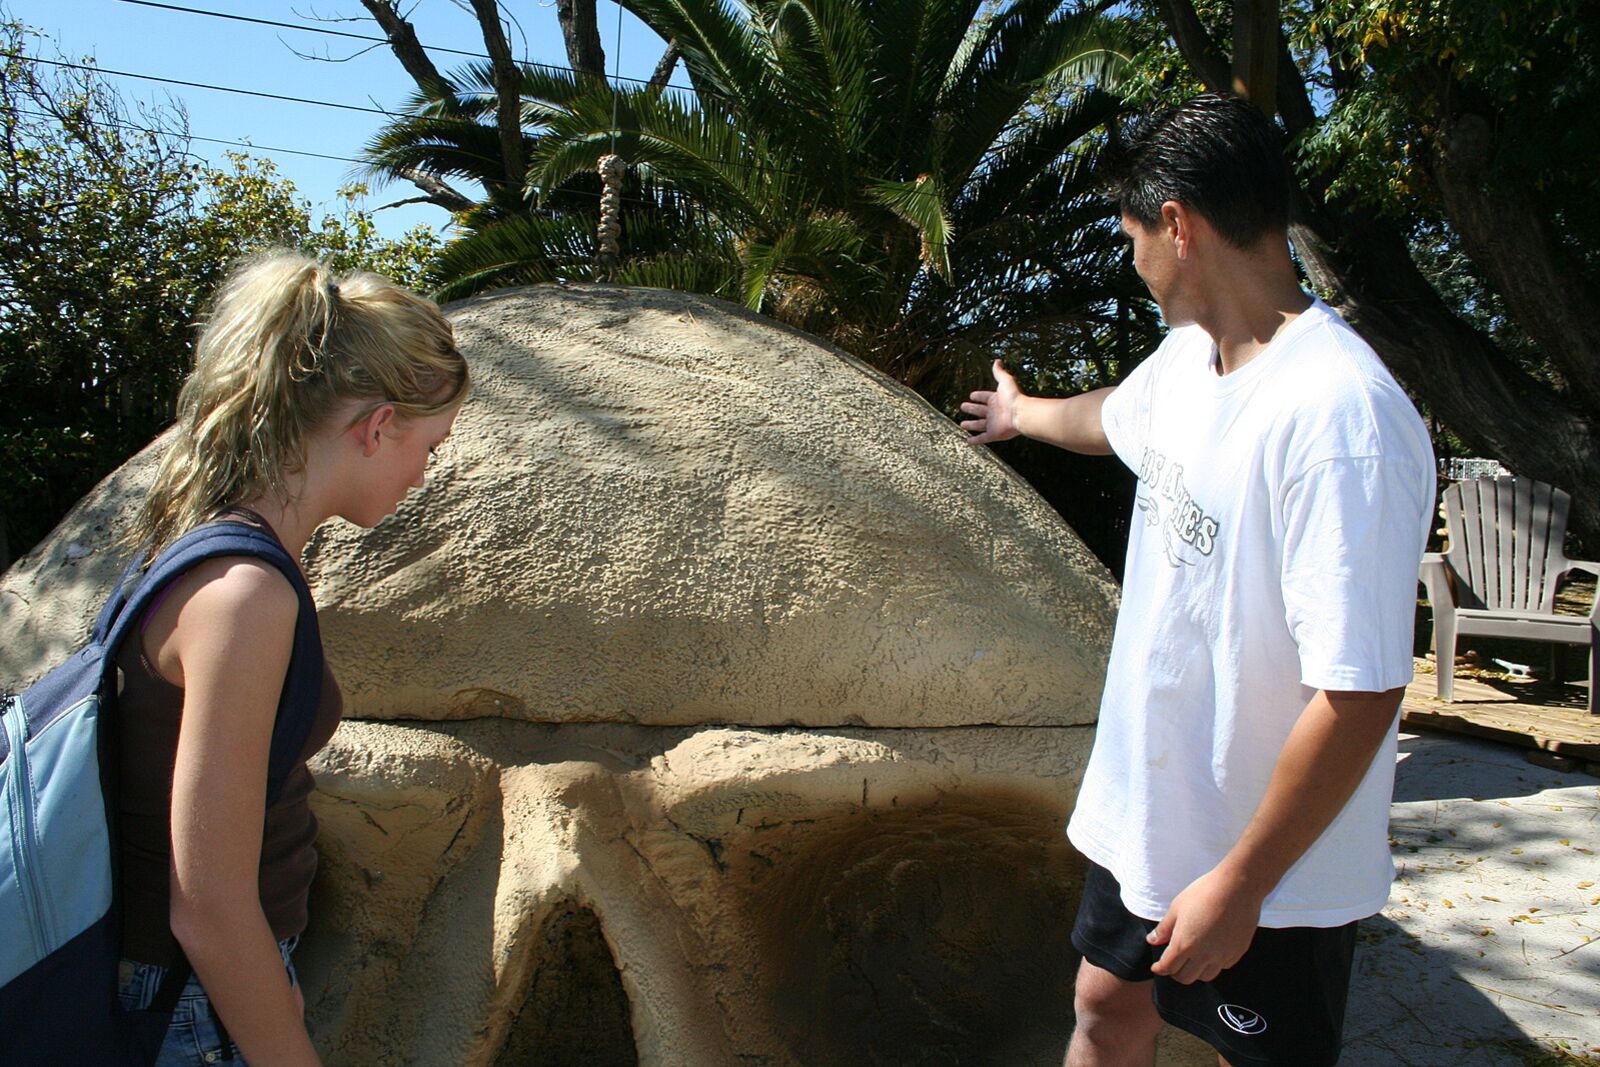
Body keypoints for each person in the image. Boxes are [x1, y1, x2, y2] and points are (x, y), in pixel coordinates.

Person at [962, 94, 1433, 1066]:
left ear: (1177, 224)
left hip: (1270, 865)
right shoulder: (1188, 361)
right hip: (1150, 821)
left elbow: (1360, 690)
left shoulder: (1339, 419)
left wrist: (1243, 882)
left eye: (1131, 233)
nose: (1130, 258)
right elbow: (1111, 420)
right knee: (1104, 1009)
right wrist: (1021, 415)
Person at [114, 251, 469, 1066]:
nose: (426, 475)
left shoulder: (206, 550)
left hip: (205, 988)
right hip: (190, 1002)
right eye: (432, 446)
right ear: (378, 427)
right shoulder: (247, 597)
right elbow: (206, 904)